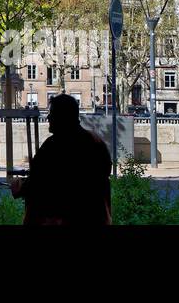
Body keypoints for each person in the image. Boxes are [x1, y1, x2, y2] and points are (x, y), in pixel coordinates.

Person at [10, 93, 112, 225]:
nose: (48, 117)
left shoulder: (53, 146)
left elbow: (40, 183)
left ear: (61, 117)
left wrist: (20, 187)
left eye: (51, 113)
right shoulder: (96, 143)